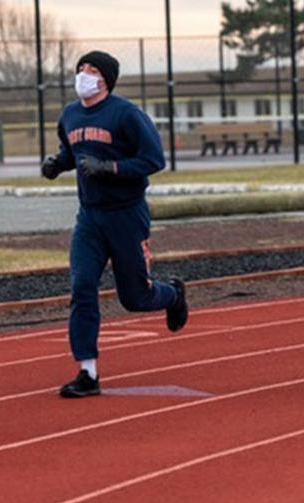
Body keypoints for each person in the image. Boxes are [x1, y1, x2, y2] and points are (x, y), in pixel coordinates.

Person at [41, 50, 188, 398]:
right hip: (89, 217)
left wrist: (112, 169)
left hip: (126, 214)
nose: (84, 74)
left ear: (106, 79)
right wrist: (56, 165)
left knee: (135, 297)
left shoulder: (126, 114)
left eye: (92, 70)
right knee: (81, 287)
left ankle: (171, 294)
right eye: (80, 69)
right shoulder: (71, 115)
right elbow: (71, 152)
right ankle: (87, 372)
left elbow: (154, 159)